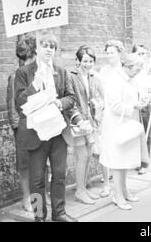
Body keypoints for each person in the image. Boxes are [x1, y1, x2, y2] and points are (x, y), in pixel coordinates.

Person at [14, 31, 77, 222]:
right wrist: (34, 85)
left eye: (52, 46)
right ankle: (39, 216)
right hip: (35, 134)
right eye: (45, 46)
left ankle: (59, 213)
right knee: (36, 179)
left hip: (57, 132)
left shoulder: (61, 71)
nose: (49, 50)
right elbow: (19, 102)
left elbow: (71, 97)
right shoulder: (23, 73)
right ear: (37, 48)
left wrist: (60, 103)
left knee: (59, 175)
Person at [99, 53, 147, 210]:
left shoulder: (129, 79)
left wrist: (139, 102)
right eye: (137, 69)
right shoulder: (115, 79)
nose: (138, 72)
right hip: (115, 127)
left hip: (125, 125)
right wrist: (133, 107)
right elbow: (114, 105)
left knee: (125, 161)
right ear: (128, 66)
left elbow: (130, 99)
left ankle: (125, 191)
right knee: (117, 163)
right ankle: (118, 196)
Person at [63, 46, 104, 205]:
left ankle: (84, 188)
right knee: (82, 156)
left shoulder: (92, 76)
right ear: (77, 61)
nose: (88, 64)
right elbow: (71, 101)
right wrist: (79, 120)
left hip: (90, 121)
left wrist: (98, 108)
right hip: (77, 122)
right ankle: (79, 191)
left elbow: (92, 99)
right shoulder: (71, 76)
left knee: (88, 156)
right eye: (85, 61)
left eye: (91, 61)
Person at [7, 34, 37, 212]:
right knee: (25, 165)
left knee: (40, 163)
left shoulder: (39, 73)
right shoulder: (15, 76)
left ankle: (39, 196)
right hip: (24, 127)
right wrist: (17, 127)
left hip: (40, 125)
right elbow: (12, 103)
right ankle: (27, 197)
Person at [98, 40, 125, 197]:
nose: (109, 55)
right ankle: (106, 184)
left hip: (120, 115)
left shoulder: (123, 70)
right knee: (105, 148)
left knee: (119, 149)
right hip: (106, 114)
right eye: (107, 53)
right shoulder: (103, 70)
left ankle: (119, 186)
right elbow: (100, 91)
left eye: (112, 52)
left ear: (119, 53)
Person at [133, 44, 151, 175]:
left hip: (145, 104)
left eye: (144, 53)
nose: (142, 56)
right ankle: (136, 160)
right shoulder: (132, 70)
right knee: (135, 133)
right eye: (139, 53)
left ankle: (145, 162)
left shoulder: (149, 71)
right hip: (134, 105)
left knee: (146, 131)